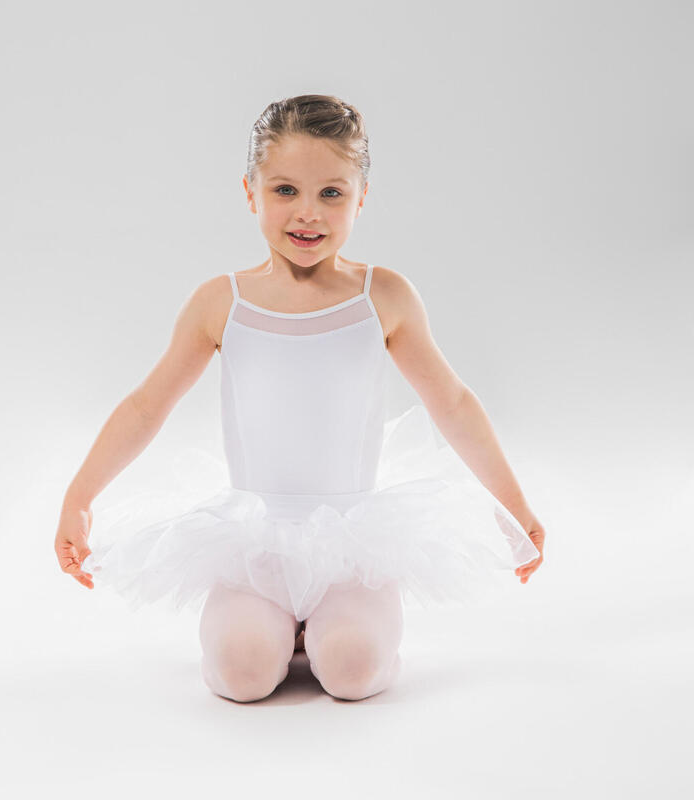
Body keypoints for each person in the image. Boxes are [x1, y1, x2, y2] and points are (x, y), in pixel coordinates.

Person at [54, 94, 546, 703]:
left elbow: (454, 404)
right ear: (250, 190)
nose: (307, 213)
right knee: (241, 674)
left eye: (331, 193)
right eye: (285, 190)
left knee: (353, 671)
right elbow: (145, 407)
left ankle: (338, 632)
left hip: (354, 544)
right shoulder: (221, 302)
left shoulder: (383, 297)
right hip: (251, 540)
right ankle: (274, 632)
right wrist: (79, 497)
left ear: (361, 195)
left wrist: (515, 506)